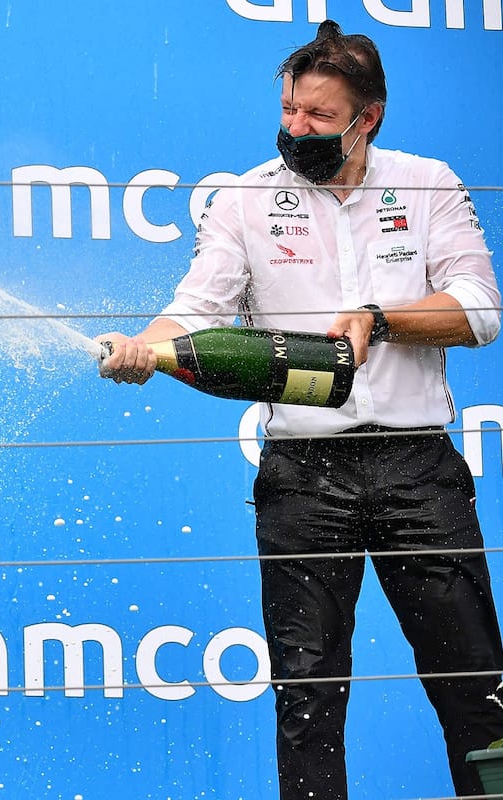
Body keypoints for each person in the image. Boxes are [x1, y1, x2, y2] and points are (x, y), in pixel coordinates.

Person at [95, 19, 503, 799]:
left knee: (477, 687)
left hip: (420, 467)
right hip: (304, 475)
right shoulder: (246, 199)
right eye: (288, 110)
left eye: (317, 116)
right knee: (306, 700)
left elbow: (481, 311)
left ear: (367, 118)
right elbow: (194, 308)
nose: (295, 128)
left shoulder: (428, 182)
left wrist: (379, 320)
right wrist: (144, 347)